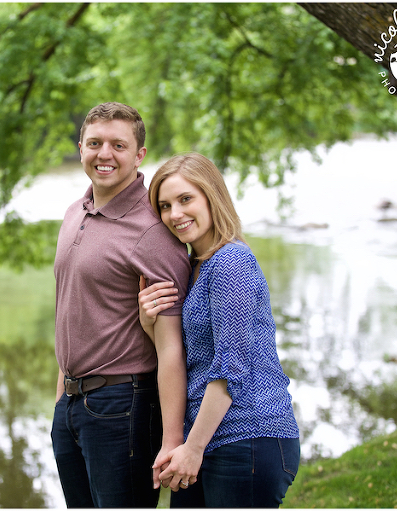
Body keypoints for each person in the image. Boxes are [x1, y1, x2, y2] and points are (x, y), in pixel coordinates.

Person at [137, 152, 300, 508]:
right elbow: (195, 355)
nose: (174, 214)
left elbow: (231, 368)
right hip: (208, 438)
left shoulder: (231, 262)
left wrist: (191, 448)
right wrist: (150, 326)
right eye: (164, 206)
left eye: (185, 199)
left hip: (249, 436)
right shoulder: (197, 268)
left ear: (212, 196)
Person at [51, 102, 192, 507]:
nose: (104, 155)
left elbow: (172, 346)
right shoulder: (73, 213)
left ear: (139, 155)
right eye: (94, 143)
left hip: (123, 406)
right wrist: (61, 401)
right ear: (81, 148)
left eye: (118, 145)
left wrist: (171, 439)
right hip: (71, 406)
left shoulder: (152, 230)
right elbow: (70, 312)